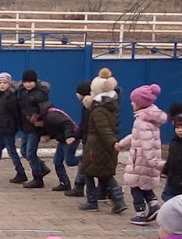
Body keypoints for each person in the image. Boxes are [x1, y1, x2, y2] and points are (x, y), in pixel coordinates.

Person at [77, 69, 127, 214]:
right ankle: (118, 201)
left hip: (96, 146)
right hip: (104, 145)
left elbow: (103, 128)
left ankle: (92, 201)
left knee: (88, 171)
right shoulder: (111, 105)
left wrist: (112, 142)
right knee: (105, 174)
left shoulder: (98, 109)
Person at [117, 83, 167, 224]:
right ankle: (154, 205)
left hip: (141, 161)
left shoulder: (142, 122)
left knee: (135, 187)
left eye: (133, 101)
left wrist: (155, 163)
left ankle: (140, 213)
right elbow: (136, 136)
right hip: (143, 160)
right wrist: (122, 143)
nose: (131, 103)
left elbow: (147, 144)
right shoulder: (147, 118)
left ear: (140, 103)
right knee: (144, 185)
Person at [30, 104, 80, 191]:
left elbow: (67, 123)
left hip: (71, 138)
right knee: (57, 161)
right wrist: (49, 136)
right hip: (63, 139)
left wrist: (69, 136)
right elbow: (56, 129)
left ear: (39, 120)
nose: (36, 126)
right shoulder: (47, 118)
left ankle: (87, 158)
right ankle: (64, 183)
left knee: (70, 161)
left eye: (36, 124)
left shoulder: (52, 117)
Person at [16, 70, 52, 185]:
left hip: (35, 128)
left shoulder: (40, 94)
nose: (27, 84)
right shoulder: (22, 91)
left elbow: (45, 110)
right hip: (25, 126)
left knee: (30, 153)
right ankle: (42, 167)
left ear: (35, 81)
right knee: (24, 151)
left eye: (30, 82)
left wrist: (39, 120)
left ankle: (38, 178)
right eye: (25, 82)